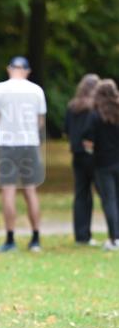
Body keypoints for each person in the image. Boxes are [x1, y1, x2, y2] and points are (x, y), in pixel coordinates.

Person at [0, 56, 46, 253]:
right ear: (27, 71)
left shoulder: (0, 88)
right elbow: (40, 121)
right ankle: (35, 238)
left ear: (9, 69)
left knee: (8, 191)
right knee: (30, 190)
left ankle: (10, 238)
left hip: (7, 143)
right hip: (29, 142)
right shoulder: (37, 90)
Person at [64, 74, 100, 245]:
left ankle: (81, 236)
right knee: (107, 194)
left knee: (81, 195)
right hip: (94, 154)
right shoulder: (96, 107)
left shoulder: (72, 107)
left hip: (77, 154)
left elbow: (66, 130)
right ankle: (114, 233)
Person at [83, 78, 119, 251]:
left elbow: (88, 141)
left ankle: (115, 238)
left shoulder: (95, 115)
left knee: (109, 200)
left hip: (103, 164)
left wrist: (90, 155)